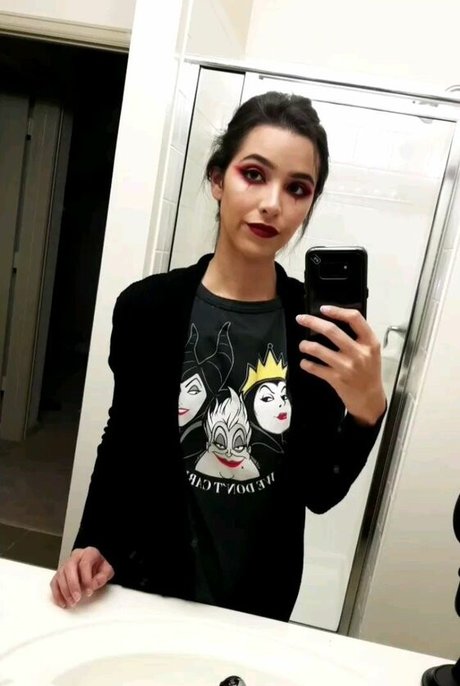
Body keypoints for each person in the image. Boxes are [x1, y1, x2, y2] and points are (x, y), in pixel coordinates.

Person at [50, 91, 387, 621]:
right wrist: (94, 540)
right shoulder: (147, 308)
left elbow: (319, 492)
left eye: (297, 188)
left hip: (259, 603)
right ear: (216, 178)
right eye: (254, 174)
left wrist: (367, 412)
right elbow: (125, 439)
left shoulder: (312, 327)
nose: (273, 203)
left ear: (309, 205)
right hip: (148, 578)